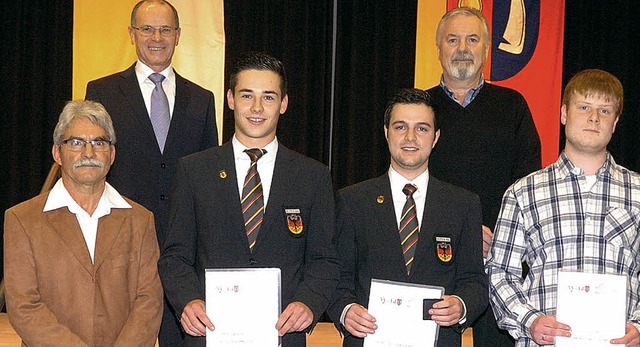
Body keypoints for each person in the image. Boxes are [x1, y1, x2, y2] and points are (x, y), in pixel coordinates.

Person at [158, 52, 340, 346]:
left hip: (283, 336)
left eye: (268, 97)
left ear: (283, 104)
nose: (257, 108)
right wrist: (188, 301)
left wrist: (308, 302)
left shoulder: (313, 176)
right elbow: (175, 257)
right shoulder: (194, 170)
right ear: (230, 99)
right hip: (211, 334)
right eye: (247, 96)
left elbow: (325, 261)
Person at [84, 1, 218, 344]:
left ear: (178, 36)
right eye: (147, 29)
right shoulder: (101, 92)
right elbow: (91, 167)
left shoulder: (202, 99)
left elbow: (208, 179)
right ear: (131, 34)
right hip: (121, 246)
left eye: (165, 30)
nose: (156, 37)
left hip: (182, 250)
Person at [486, 69, 640, 346]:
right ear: (564, 114)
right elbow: (499, 272)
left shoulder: (638, 192)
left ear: (615, 123)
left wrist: (639, 325)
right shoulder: (524, 192)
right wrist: (529, 320)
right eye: (584, 107)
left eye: (605, 111)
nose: (594, 118)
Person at [327, 88, 488, 346]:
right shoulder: (352, 201)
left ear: (435, 137)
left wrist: (461, 305)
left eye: (422, 129)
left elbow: (475, 282)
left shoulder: (463, 204)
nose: (410, 137)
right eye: (400, 127)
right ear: (386, 132)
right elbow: (337, 276)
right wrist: (346, 311)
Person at [425, 7, 542, 345]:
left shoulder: (513, 105)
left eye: (472, 39)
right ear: (439, 48)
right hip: (430, 259)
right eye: (453, 39)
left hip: (500, 260)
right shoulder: (419, 107)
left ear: (487, 49)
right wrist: (459, 232)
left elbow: (528, 185)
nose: (463, 47)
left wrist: (496, 235)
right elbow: (404, 182)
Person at [3, 100, 163, 346]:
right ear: (57, 153)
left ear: (112, 154)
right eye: (76, 142)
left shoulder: (140, 220)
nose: (88, 153)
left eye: (99, 142)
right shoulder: (22, 220)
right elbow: (24, 306)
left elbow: (149, 301)